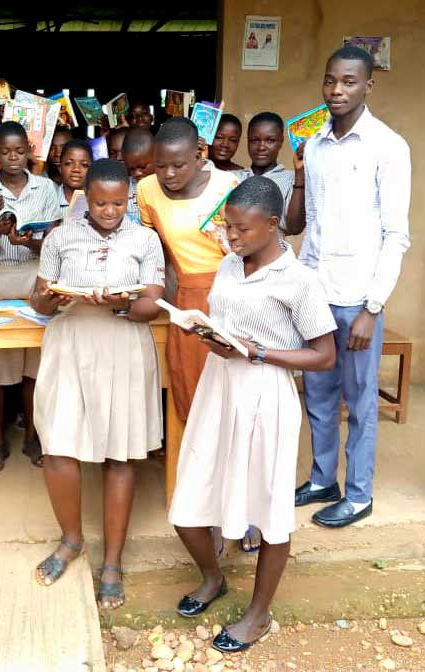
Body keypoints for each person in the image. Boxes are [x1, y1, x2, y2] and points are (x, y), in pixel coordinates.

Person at [170, 176, 337, 652]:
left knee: (269, 508)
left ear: (272, 224)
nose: (232, 237)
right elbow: (229, 326)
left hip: (266, 394)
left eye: (241, 229)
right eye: (228, 227)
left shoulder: (298, 280)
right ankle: (212, 578)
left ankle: (258, 615)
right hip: (217, 388)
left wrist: (259, 353)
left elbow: (324, 355)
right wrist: (209, 336)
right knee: (189, 498)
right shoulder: (227, 266)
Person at [32, 158, 164, 610]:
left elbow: (153, 302)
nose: (110, 211)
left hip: (123, 343)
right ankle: (71, 540)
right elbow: (40, 302)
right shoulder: (60, 237)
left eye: (119, 203)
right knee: (58, 446)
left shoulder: (145, 239)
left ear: (129, 197)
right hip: (69, 342)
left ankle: (112, 560)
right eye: (102, 202)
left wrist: (123, 303)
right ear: (86, 196)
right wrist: (50, 296)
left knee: (120, 451)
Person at [295, 46, 411, 528]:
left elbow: (395, 234)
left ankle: (359, 494)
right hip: (318, 294)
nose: (336, 91)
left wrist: (372, 306)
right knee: (318, 394)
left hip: (360, 298)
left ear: (368, 86)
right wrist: (301, 290)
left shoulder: (388, 146)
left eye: (348, 82)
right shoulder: (315, 146)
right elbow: (314, 226)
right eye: (329, 81)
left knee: (360, 402)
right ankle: (325, 478)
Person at [0, 121, 61, 472]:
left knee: (33, 366)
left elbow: (54, 243)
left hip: (35, 277)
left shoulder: (46, 188)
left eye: (19, 151)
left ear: (29, 151)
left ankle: (32, 438)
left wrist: (29, 241)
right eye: (5, 152)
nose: (12, 158)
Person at [138, 117, 239, 422]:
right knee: (190, 388)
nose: (167, 174)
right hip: (184, 299)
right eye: (160, 165)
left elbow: (251, 249)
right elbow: (156, 251)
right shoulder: (146, 190)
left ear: (199, 154)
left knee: (230, 388)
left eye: (178, 165)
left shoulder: (227, 186)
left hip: (231, 295)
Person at [234, 112, 305, 235]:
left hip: (273, 254)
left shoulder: (291, 180)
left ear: (281, 142)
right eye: (255, 140)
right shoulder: (234, 177)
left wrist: (300, 174)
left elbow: (295, 228)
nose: (261, 147)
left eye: (270, 140)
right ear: (247, 141)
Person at [122, 128, 155, 223]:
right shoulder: (123, 190)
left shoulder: (169, 184)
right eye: (131, 169)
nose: (137, 173)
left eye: (143, 167)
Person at [56, 139, 93, 220]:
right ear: (60, 168)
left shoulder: (98, 202)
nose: (76, 169)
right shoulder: (50, 199)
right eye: (69, 163)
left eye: (84, 165)